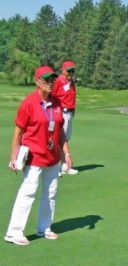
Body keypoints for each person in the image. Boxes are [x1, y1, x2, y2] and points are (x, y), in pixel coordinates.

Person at [5, 66, 73, 246]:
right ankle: (14, 232)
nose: (50, 83)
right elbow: (18, 132)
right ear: (37, 82)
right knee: (28, 192)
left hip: (52, 158)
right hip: (34, 157)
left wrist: (66, 152)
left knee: (50, 193)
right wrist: (14, 157)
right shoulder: (29, 103)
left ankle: (45, 228)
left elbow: (60, 132)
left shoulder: (57, 103)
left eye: (52, 79)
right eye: (46, 80)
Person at [51, 60, 78, 175]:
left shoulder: (71, 82)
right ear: (63, 70)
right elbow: (52, 95)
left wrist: (73, 111)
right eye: (69, 71)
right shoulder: (59, 81)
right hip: (62, 112)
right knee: (59, 139)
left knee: (65, 139)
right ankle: (57, 166)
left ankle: (63, 165)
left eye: (73, 71)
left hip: (70, 112)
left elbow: (72, 98)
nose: (71, 73)